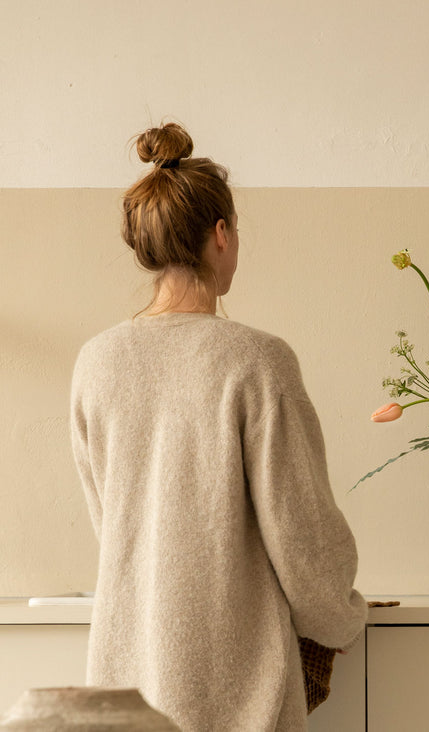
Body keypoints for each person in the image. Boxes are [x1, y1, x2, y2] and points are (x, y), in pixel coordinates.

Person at [69, 122, 367, 731]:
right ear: (222, 234)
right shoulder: (258, 360)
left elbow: (114, 525)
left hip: (127, 680)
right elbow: (302, 535)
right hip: (237, 690)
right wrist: (343, 618)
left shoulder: (95, 361)